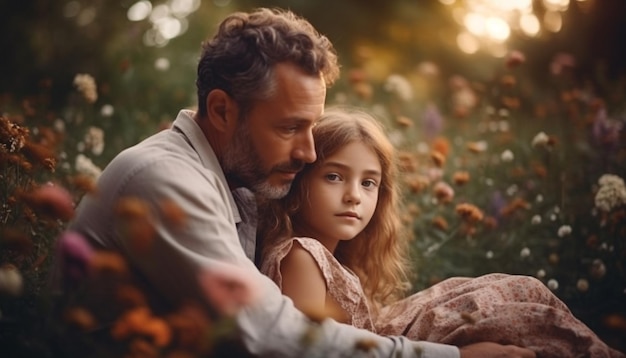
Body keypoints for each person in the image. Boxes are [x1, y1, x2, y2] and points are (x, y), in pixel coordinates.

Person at [54, 7, 537, 358]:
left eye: (312, 126)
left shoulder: (235, 175)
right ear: (222, 110)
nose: (308, 152)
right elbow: (269, 333)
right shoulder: (166, 178)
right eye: (289, 128)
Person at [259, 107, 626, 358]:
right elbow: (315, 351)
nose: (354, 195)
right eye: (334, 176)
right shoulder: (301, 256)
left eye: (369, 182)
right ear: (299, 181)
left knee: (522, 300)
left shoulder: (331, 256)